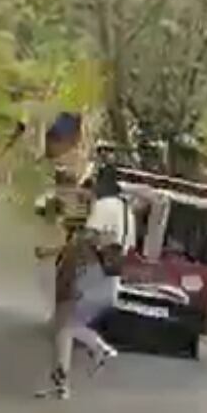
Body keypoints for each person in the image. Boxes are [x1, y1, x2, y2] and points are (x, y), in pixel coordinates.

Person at [42, 165, 128, 400]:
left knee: (65, 324)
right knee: (66, 326)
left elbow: (88, 239)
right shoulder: (124, 209)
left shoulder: (105, 206)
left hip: (91, 270)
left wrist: (53, 252)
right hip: (110, 273)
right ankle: (61, 383)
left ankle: (98, 349)